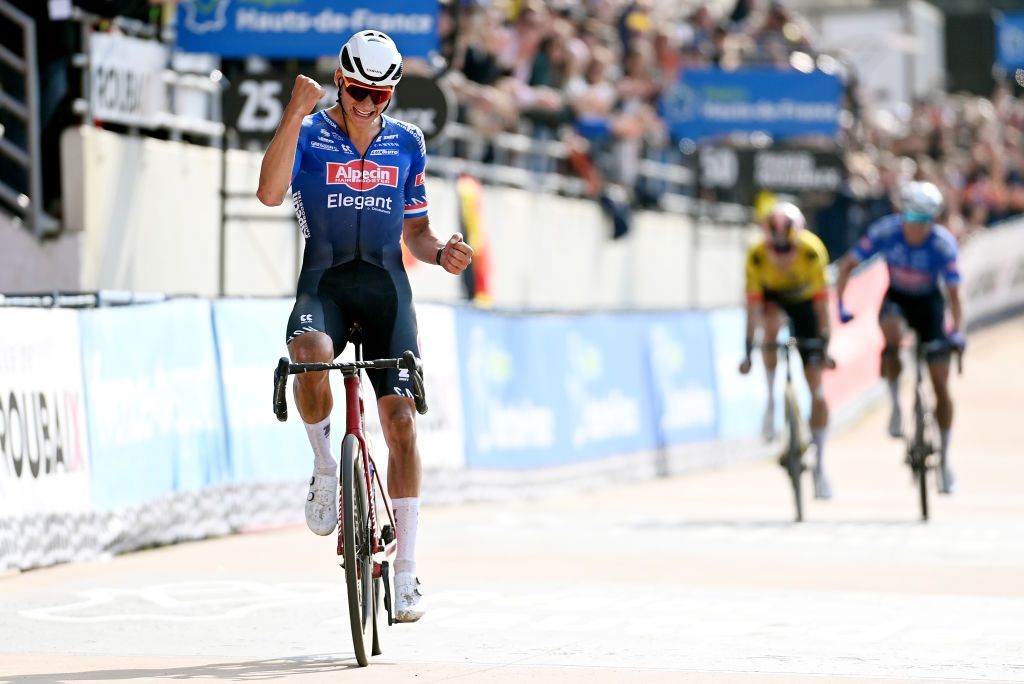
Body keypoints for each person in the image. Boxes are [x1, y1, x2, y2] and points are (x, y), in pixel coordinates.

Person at [256, 30, 474, 622]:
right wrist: (293, 114)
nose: (367, 105)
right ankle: (327, 466)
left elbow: (418, 232)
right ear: (339, 83)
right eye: (357, 91)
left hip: (386, 290)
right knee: (307, 353)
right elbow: (270, 193)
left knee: (400, 420)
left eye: (380, 96)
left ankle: (406, 571)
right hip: (324, 283)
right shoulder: (309, 133)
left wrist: (441, 254)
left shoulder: (408, 142)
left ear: (393, 95)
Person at [834, 180, 964, 493]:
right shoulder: (885, 231)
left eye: (924, 221)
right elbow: (849, 264)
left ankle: (945, 459)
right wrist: (840, 303)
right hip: (898, 299)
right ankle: (894, 404)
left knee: (940, 384)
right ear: (902, 213)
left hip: (929, 305)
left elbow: (955, 295)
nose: (916, 227)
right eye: (911, 218)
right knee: (890, 331)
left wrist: (957, 330)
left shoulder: (942, 243)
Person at [739, 201, 834, 499]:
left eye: (786, 249)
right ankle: (770, 398)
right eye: (775, 249)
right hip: (773, 300)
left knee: (816, 384)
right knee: (769, 326)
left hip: (805, 302)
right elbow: (752, 309)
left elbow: (821, 305)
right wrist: (748, 350)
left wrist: (824, 345)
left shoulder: (811, 251)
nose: (780, 256)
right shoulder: (756, 256)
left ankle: (820, 467)